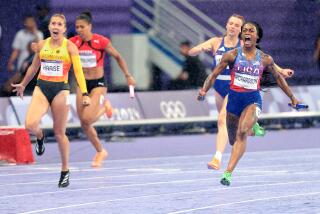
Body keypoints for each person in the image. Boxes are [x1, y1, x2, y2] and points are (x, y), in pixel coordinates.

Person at [198, 21, 301, 186]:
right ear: (242, 35)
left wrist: (293, 98)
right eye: (244, 30)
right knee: (232, 140)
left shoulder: (265, 59)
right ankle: (254, 129)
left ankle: (228, 173)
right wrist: (204, 90)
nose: (247, 32)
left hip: (252, 100)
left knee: (242, 132)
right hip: (234, 100)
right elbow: (214, 74)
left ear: (256, 36)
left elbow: (279, 79)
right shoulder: (231, 55)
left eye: (251, 30)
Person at [11, 14, 90, 188]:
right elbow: (34, 67)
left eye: (59, 24)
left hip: (60, 90)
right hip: (42, 87)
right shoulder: (42, 45)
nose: (55, 26)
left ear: (63, 28)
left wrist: (84, 93)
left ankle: (65, 170)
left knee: (60, 133)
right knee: (30, 125)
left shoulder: (70, 48)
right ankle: (40, 137)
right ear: (49, 27)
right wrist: (24, 84)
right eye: (53, 23)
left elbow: (78, 72)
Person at [69, 11, 136, 167]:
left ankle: (105, 106)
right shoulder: (72, 43)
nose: (79, 29)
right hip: (82, 84)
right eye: (77, 27)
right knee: (84, 124)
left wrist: (128, 76)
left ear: (90, 26)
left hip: (98, 84)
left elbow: (118, 57)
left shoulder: (101, 41)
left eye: (82, 27)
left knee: (87, 119)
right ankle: (100, 151)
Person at [4, 15, 43, 95]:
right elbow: (16, 51)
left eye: (32, 21)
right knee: (19, 85)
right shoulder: (20, 34)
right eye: (28, 22)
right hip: (22, 67)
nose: (30, 23)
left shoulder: (39, 34)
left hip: (35, 68)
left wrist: (35, 32)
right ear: (25, 23)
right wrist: (10, 62)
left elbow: (40, 49)